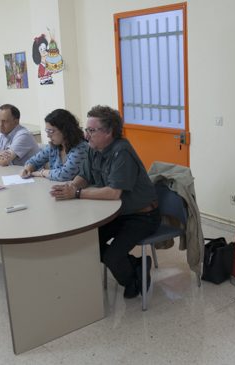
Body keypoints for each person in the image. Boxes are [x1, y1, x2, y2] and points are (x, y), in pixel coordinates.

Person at [50, 105, 160, 299]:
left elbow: (113, 193)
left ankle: (135, 277)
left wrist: (76, 193)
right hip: (115, 212)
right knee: (87, 243)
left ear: (109, 132)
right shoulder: (94, 148)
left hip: (142, 216)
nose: (86, 135)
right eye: (86, 130)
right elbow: (84, 175)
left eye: (91, 130)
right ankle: (135, 265)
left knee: (112, 256)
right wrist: (69, 187)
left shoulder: (121, 152)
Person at [20, 109, 88, 181]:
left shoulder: (81, 148)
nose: (48, 135)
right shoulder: (53, 146)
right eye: (47, 131)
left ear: (65, 130)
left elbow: (64, 175)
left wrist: (42, 172)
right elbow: (33, 161)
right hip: (55, 187)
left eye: (51, 131)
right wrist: (28, 169)